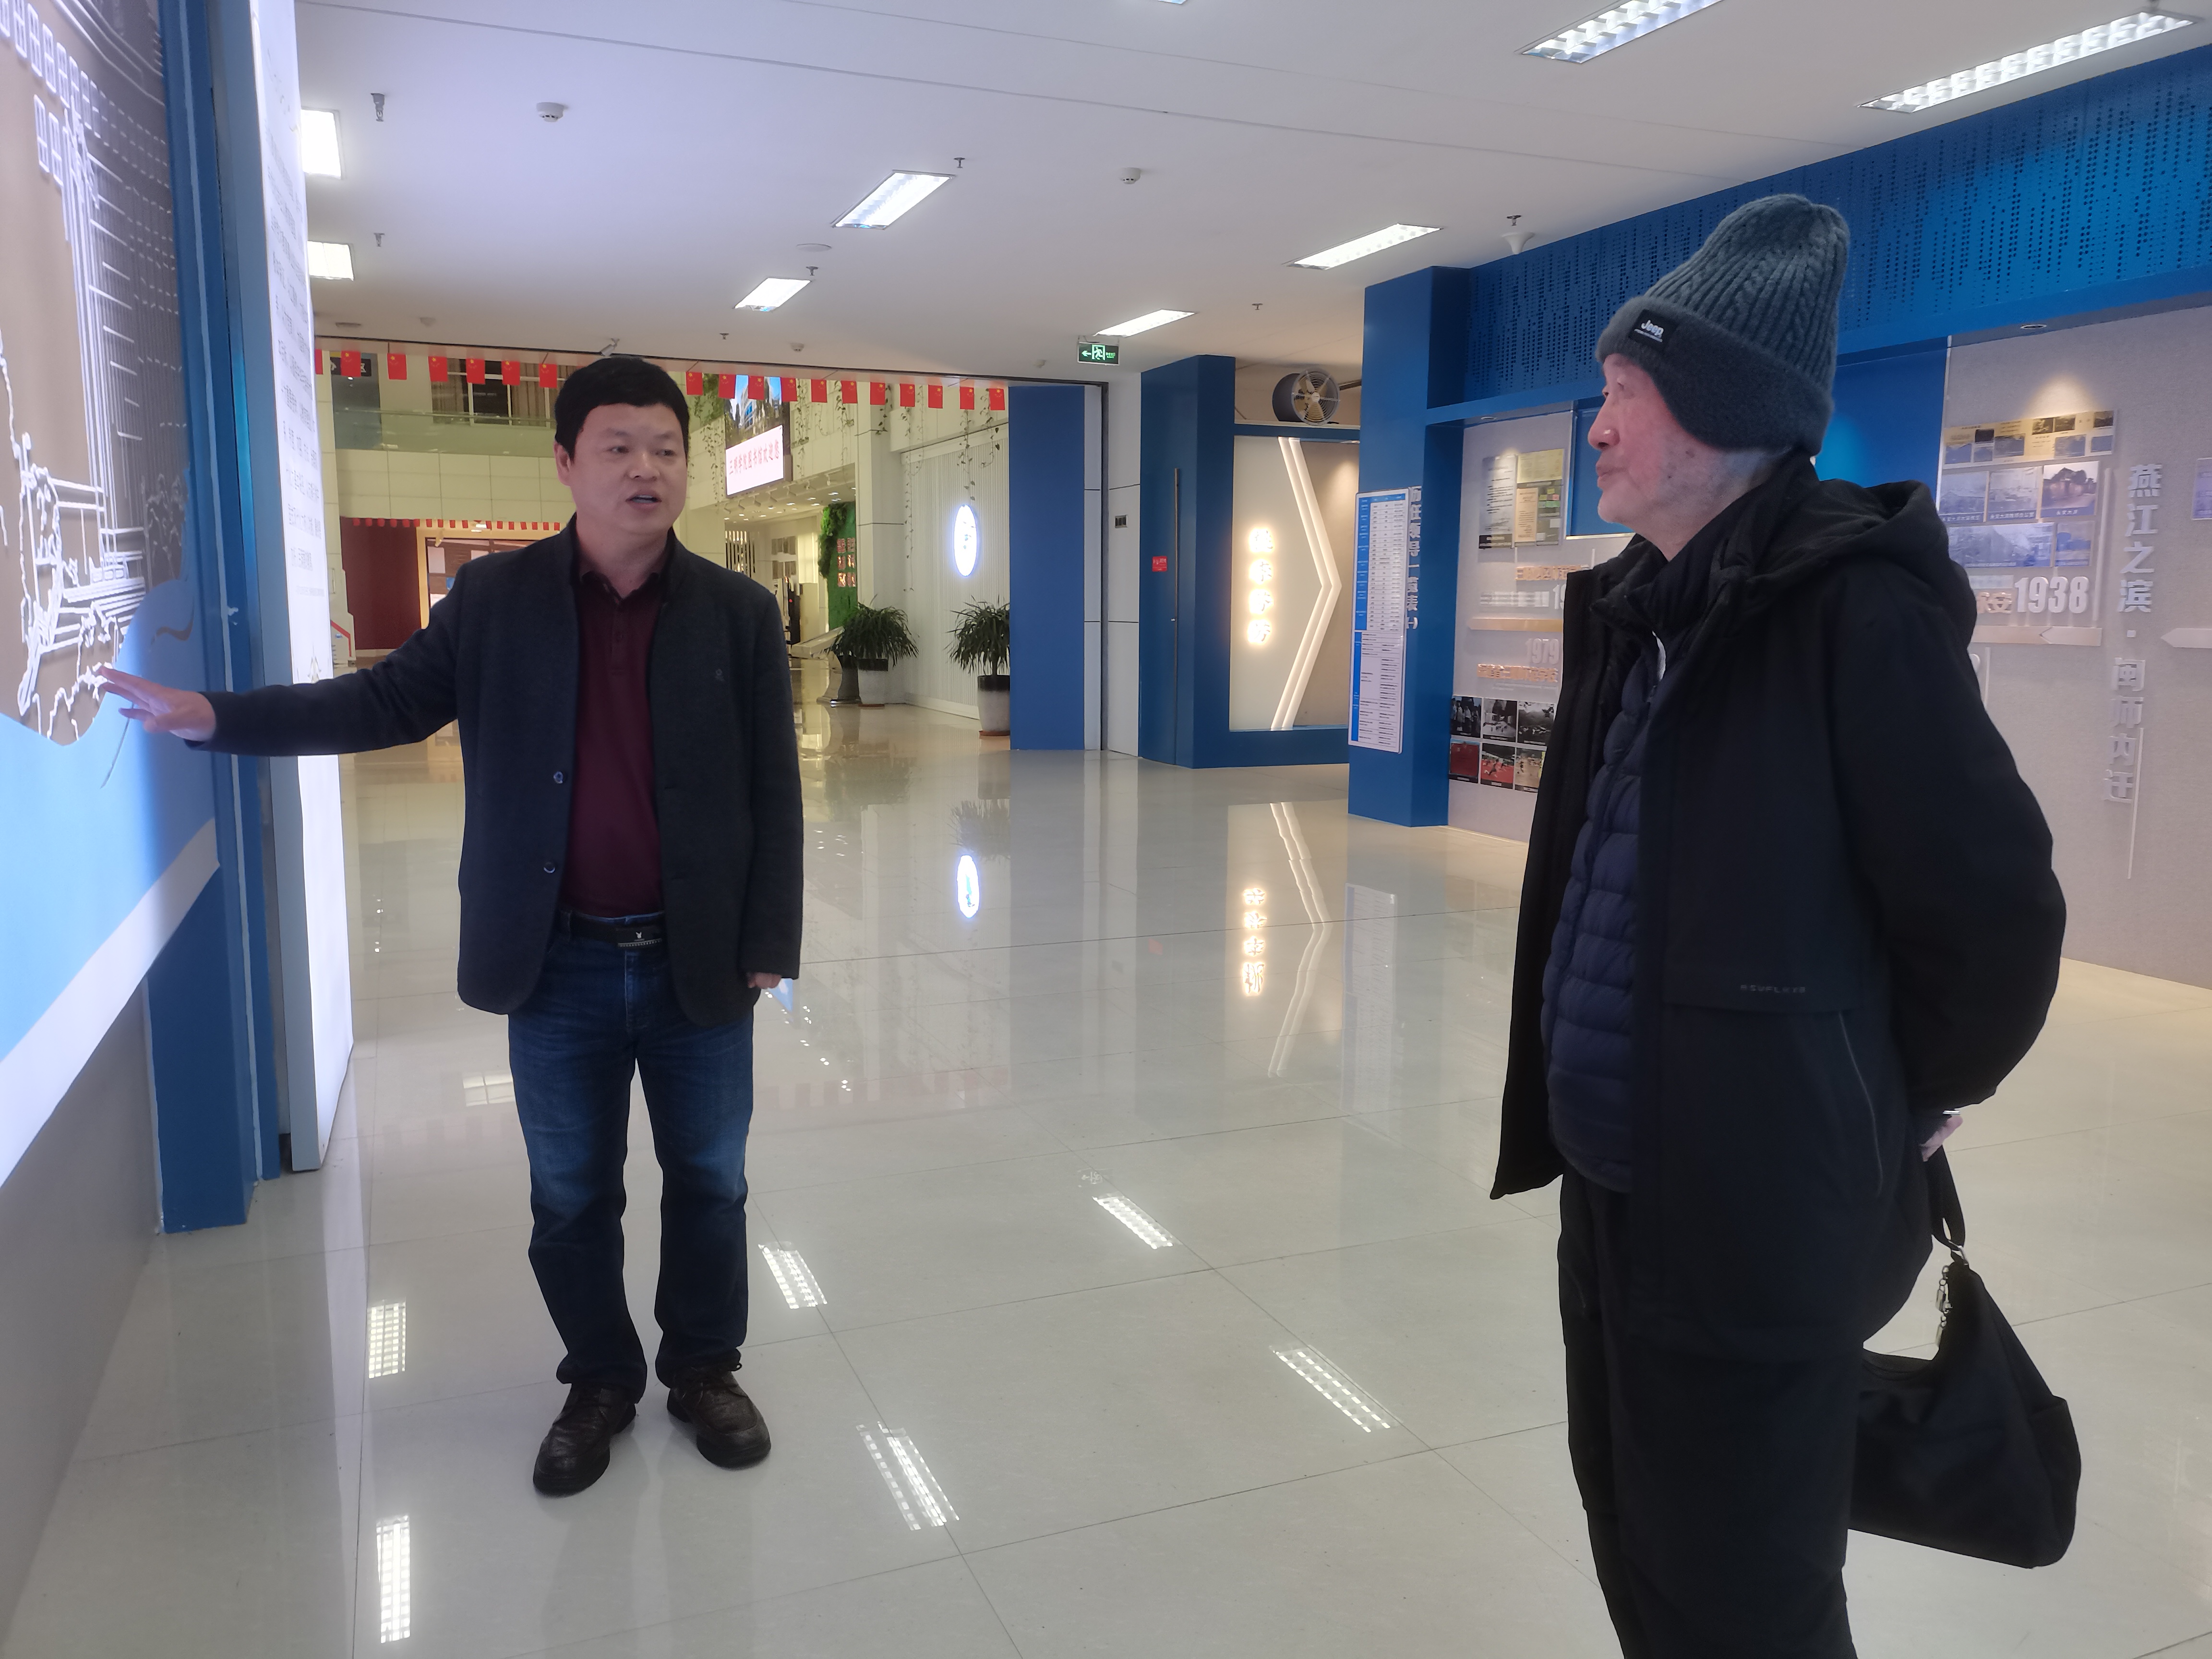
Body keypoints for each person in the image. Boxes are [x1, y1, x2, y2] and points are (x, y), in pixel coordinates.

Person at [1493, 196, 2065, 1656]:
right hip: (1613, 1186)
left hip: (1752, 1207)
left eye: (1623, 394)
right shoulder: (1638, 611)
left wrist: (1903, 1095)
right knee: (1635, 1526)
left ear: (1721, 410)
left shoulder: (1853, 613)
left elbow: (1992, 903)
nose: (1597, 429)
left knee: (1748, 1581)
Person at [100, 355, 804, 1497]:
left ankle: (703, 1369)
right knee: (569, 1195)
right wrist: (217, 717)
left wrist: (771, 942)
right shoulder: (495, 602)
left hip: (702, 962)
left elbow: (776, 786)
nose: (647, 468)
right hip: (557, 960)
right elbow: (381, 701)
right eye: (619, 447)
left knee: (710, 1182)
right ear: (566, 463)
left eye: (667, 449)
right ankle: (601, 1379)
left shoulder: (738, 613)